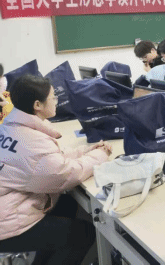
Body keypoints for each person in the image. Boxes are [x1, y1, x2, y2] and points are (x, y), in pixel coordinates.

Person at [0, 74, 112, 265]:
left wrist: (86, 151)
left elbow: (49, 159)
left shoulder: (12, 126)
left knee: (68, 204)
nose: (56, 101)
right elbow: (64, 175)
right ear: (38, 105)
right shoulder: (30, 141)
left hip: (9, 207)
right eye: (53, 97)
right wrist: (100, 155)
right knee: (82, 234)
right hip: (7, 225)